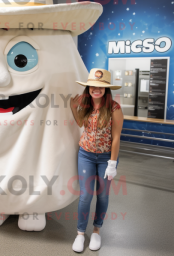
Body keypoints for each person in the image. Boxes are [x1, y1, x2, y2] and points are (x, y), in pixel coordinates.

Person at [70, 68, 124, 252]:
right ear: (89, 88)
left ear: (106, 89)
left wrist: (112, 163)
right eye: (93, 86)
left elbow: (116, 137)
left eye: (100, 87)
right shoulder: (86, 105)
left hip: (105, 158)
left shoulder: (114, 108)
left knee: (102, 194)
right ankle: (79, 234)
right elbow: (80, 124)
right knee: (85, 195)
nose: (96, 89)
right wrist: (72, 108)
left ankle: (96, 230)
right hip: (85, 154)